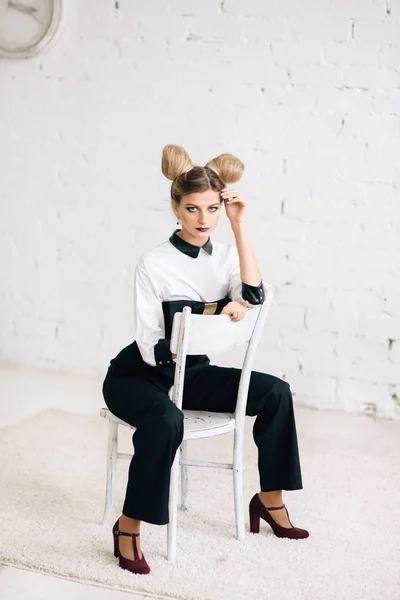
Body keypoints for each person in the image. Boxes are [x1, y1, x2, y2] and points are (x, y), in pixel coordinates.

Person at [102, 144, 309, 575]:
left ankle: (269, 501)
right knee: (166, 421)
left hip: (192, 372)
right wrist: (215, 311)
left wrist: (239, 226)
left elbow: (253, 295)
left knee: (276, 392)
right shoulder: (153, 263)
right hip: (139, 377)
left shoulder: (227, 255)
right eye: (193, 208)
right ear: (175, 207)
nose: (203, 219)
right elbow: (151, 344)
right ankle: (127, 525)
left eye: (212, 208)